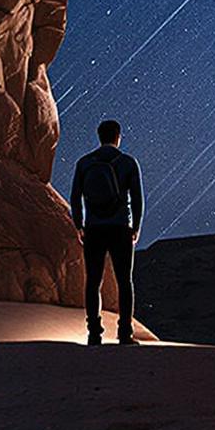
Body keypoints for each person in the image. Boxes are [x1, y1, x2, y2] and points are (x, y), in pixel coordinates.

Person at [69, 118, 144, 344]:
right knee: (124, 281)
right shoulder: (128, 162)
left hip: (93, 228)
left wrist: (79, 225)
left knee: (93, 281)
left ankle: (94, 333)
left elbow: (75, 197)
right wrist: (136, 226)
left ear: (99, 136)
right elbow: (138, 199)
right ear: (118, 137)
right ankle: (124, 333)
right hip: (121, 228)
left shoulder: (84, 163)